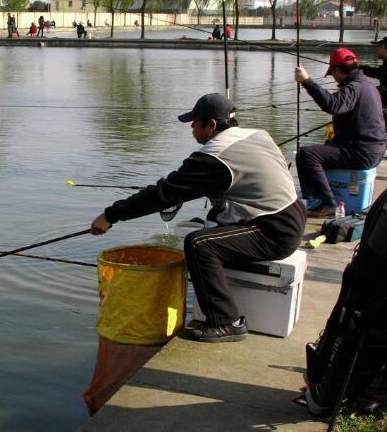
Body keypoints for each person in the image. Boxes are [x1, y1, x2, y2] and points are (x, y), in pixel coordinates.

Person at [91, 93, 305, 342]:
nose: (191, 128)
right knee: (211, 222)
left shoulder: (214, 156)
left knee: (199, 244)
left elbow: (162, 194)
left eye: (195, 122)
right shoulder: (256, 135)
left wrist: (110, 215)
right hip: (291, 213)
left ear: (211, 124)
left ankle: (226, 321)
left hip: (275, 231)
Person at [295, 48, 386, 218]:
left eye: (332, 73)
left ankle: (327, 204)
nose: (334, 78)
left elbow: (332, 105)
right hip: (374, 150)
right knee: (323, 149)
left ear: (337, 70)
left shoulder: (354, 87)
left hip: (362, 152)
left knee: (306, 154)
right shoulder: (368, 86)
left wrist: (307, 81)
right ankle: (319, 199)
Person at [360, 36, 387, 131]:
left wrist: (372, 90)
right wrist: (359, 69)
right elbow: (377, 72)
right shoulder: (385, 66)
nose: (377, 50)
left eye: (379, 47)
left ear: (383, 47)